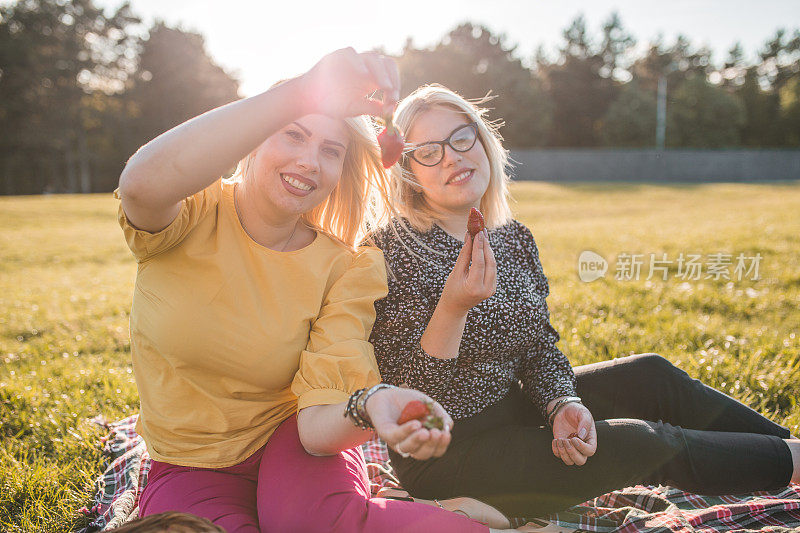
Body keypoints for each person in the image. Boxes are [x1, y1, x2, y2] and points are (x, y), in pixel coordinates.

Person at [115, 49, 519, 532]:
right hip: (190, 461)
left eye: (331, 150)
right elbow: (139, 186)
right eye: (293, 134)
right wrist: (299, 92)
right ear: (254, 139)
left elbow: (317, 422)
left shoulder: (348, 264)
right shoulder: (190, 213)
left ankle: (459, 518)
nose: (309, 162)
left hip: (296, 440)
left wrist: (370, 403)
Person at [368, 83, 800, 520]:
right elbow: (413, 404)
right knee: (647, 444)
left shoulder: (513, 238)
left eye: (461, 137)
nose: (452, 157)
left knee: (650, 374)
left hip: (511, 410)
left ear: (482, 140)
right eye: (428, 151)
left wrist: (562, 404)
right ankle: (790, 466)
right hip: (445, 454)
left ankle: (787, 450)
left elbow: (537, 349)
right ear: (408, 172)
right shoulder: (391, 252)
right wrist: (453, 308)